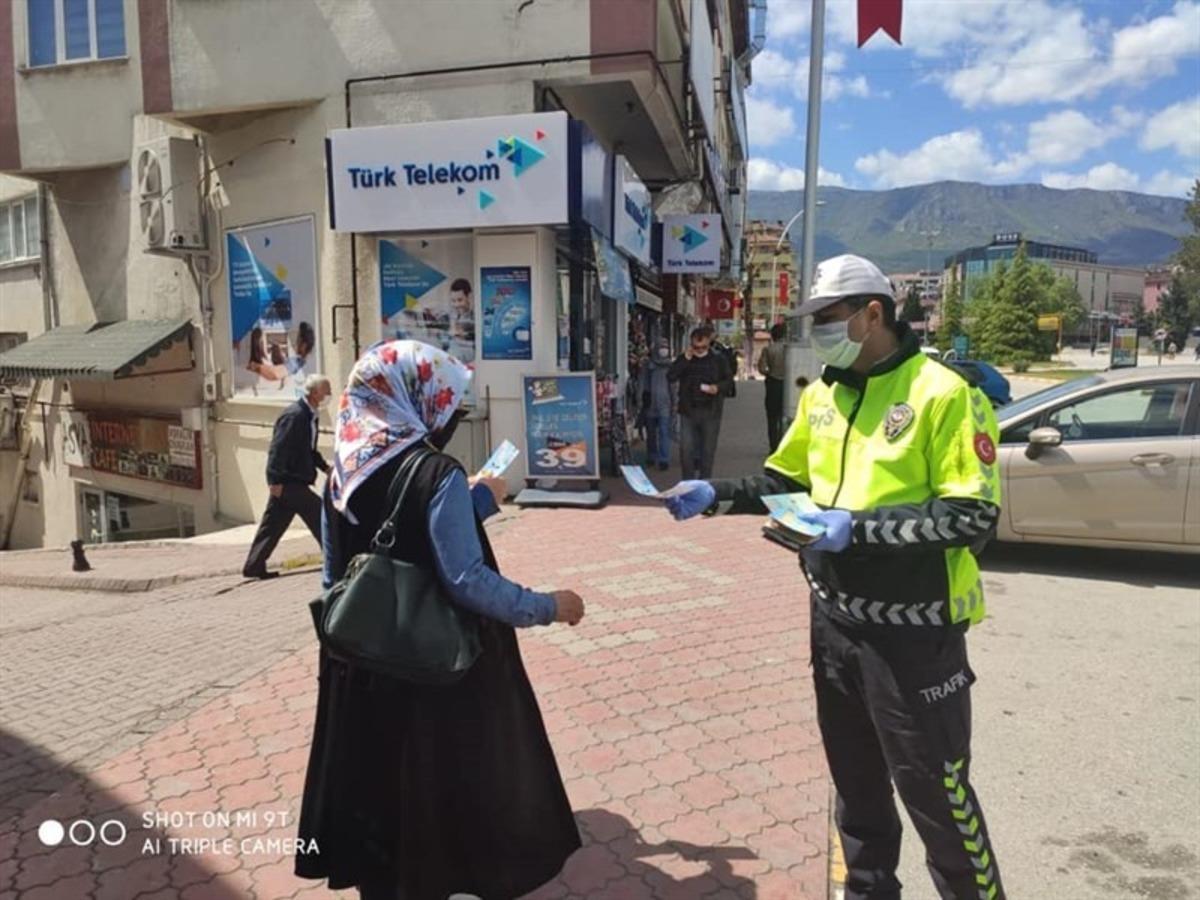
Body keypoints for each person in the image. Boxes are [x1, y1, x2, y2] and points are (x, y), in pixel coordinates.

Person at [663, 254, 1006, 900]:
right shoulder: (822, 395)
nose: (816, 330)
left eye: (827, 318)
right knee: (857, 797)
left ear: (873, 314)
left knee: (941, 805)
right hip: (834, 629)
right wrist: (718, 493)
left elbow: (972, 516)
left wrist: (860, 529)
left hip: (914, 642)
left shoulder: (943, 394)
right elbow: (785, 483)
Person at [297, 340, 584, 900]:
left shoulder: (344, 467)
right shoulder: (437, 472)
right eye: (448, 405)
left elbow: (337, 574)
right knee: (435, 795)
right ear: (418, 399)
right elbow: (465, 580)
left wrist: (474, 502)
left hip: (361, 669)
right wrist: (549, 605)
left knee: (379, 796)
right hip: (432, 671)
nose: (449, 418)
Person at [242, 374, 332, 579]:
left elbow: (308, 450)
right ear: (315, 392)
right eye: (327, 392)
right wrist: (274, 480)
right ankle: (335, 557)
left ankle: (254, 565)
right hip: (289, 481)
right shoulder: (295, 416)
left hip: (293, 481)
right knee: (320, 515)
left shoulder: (310, 415)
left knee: (272, 525)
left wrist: (325, 468)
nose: (329, 396)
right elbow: (278, 449)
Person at [668, 327, 732, 480]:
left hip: (711, 412)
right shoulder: (686, 358)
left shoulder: (718, 359)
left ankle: (705, 486)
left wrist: (717, 388)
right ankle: (688, 485)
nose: (699, 350)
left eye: (703, 347)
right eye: (696, 347)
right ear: (691, 344)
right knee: (686, 450)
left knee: (707, 452)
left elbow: (729, 382)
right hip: (688, 411)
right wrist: (684, 359)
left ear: (709, 344)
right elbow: (671, 376)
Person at [640, 337, 675, 471]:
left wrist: (675, 402)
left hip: (664, 404)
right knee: (651, 433)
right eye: (661, 347)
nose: (663, 350)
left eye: (665, 347)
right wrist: (640, 399)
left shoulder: (670, 366)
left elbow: (673, 386)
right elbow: (642, 383)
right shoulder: (648, 365)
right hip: (650, 403)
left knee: (664, 431)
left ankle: (664, 459)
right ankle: (651, 455)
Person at [758, 323, 788, 450]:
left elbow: (761, 368)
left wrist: (769, 373)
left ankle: (773, 446)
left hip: (773, 384)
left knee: (772, 417)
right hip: (788, 385)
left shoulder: (768, 349)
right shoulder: (789, 349)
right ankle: (785, 444)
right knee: (786, 416)